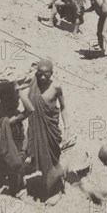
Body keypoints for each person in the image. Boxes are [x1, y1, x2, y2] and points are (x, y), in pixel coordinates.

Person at [20, 59, 70, 202]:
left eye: (46, 75)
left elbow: (64, 107)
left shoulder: (56, 87)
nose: (42, 77)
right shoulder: (32, 81)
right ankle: (48, 180)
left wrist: (68, 129)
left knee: (52, 158)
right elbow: (17, 86)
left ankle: (57, 190)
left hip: (50, 130)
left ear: (51, 74)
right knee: (39, 158)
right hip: (35, 128)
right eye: (40, 74)